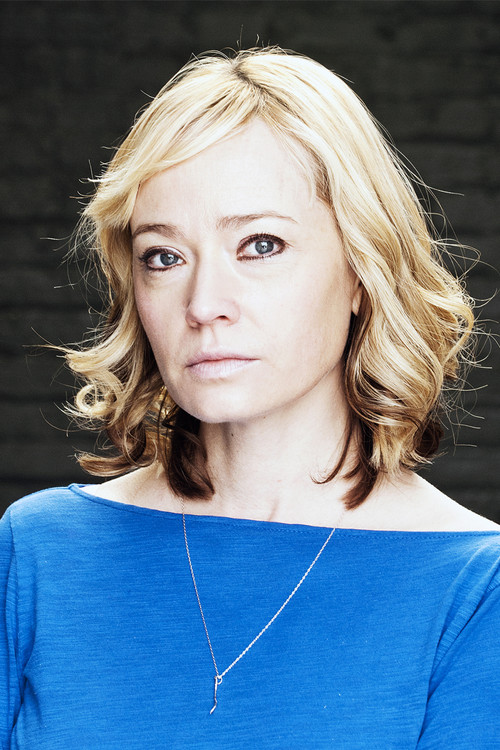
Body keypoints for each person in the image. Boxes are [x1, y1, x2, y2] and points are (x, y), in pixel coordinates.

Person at [1, 47, 499, 749]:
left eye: (260, 245)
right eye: (164, 256)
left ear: (362, 272)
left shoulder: (474, 589)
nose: (203, 303)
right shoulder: (40, 551)